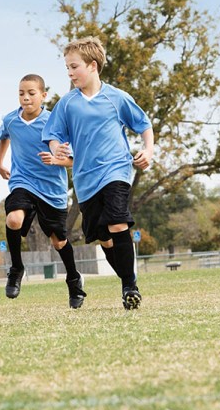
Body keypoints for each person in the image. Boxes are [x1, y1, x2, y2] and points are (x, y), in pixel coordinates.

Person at [42, 36, 154, 310]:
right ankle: (128, 280)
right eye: (67, 68)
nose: (69, 73)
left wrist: (148, 150)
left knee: (118, 223)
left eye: (74, 66)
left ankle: (129, 287)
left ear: (92, 66)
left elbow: (144, 124)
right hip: (85, 180)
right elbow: (53, 135)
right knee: (103, 236)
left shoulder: (117, 98)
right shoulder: (68, 104)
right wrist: (58, 149)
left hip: (116, 171)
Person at [0, 74, 86, 308]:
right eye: (21, 93)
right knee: (14, 219)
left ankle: (74, 280)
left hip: (51, 189)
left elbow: (74, 160)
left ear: (43, 95)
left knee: (58, 241)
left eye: (31, 93)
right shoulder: (10, 120)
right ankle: (16, 268)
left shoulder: (53, 123)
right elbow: (5, 136)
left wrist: (56, 161)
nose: (25, 98)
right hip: (22, 181)